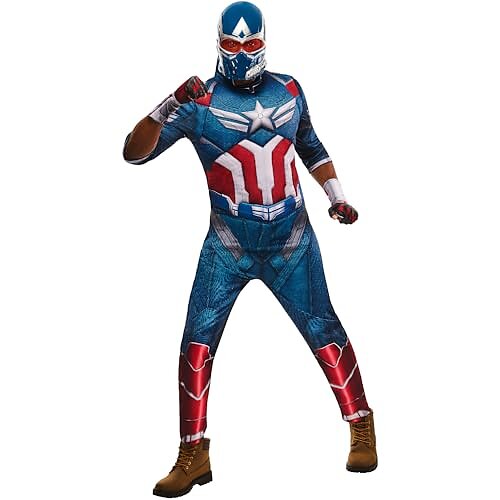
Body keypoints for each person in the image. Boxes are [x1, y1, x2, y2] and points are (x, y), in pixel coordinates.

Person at [123, 2, 377, 496]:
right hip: (229, 242)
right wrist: (167, 104)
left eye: (252, 43)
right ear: (218, 43)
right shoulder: (197, 102)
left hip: (291, 239)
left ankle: (361, 424)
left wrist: (337, 196)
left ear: (265, 43)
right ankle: (193, 453)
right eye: (233, 44)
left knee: (323, 327)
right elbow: (134, 153)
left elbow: (310, 146)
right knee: (197, 341)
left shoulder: (289, 89)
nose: (242, 53)